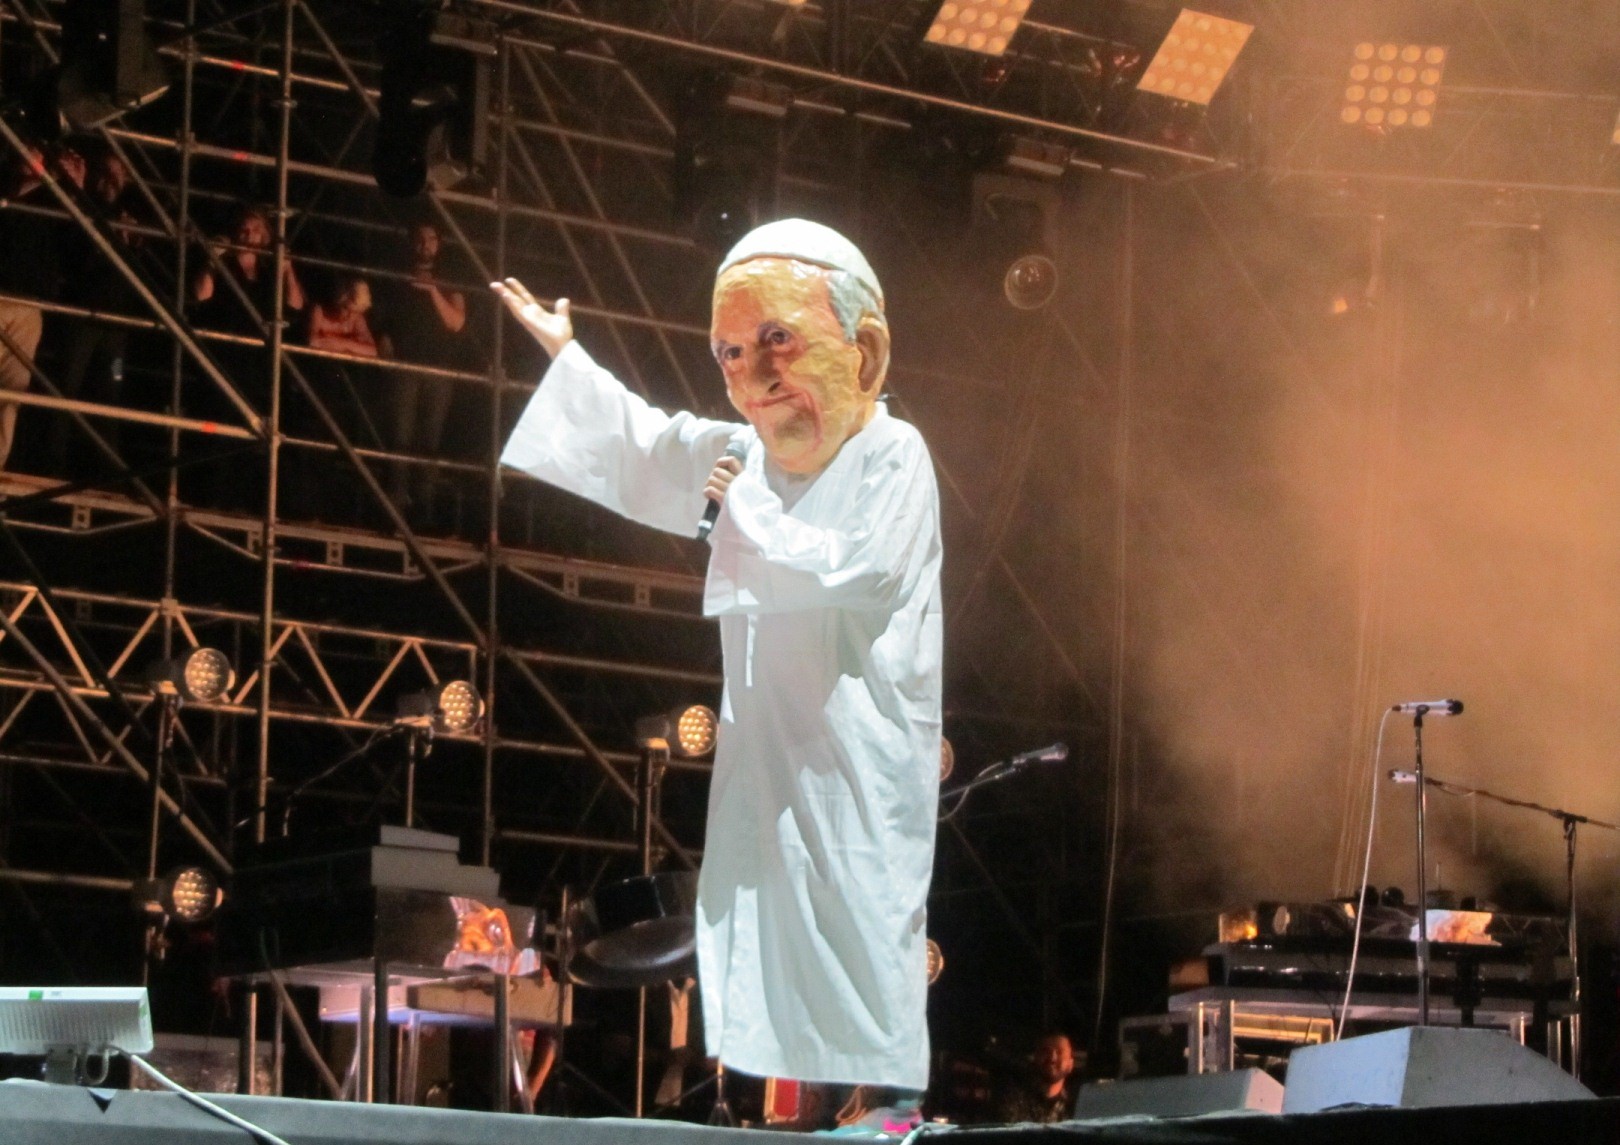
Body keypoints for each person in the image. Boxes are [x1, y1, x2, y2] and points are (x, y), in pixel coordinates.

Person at [494, 219, 943, 1136]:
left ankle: (887, 1109)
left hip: (858, 758)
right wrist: (568, 357)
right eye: (731, 352)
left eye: (779, 339)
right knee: (774, 933)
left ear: (863, 352)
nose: (753, 373)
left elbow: (851, 569)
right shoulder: (751, 457)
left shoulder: (892, 454)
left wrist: (736, 510)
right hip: (770, 761)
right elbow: (648, 447)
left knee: (860, 924)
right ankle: (787, 1109)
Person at [372, 221, 468, 511]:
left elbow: (456, 322)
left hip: (439, 370)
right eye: (420, 238)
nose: (425, 245)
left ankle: (425, 510)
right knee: (399, 437)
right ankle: (395, 507)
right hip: (404, 367)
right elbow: (383, 322)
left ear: (439, 244)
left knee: (429, 442)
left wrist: (432, 289)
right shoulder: (397, 277)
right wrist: (385, 347)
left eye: (431, 239)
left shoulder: (451, 279)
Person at [0, 140, 79, 471]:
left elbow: (76, 244)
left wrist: (75, 190)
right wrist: (49, 180)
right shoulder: (8, 179)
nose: (37, 157)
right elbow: (11, 199)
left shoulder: (51, 195)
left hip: (30, 305)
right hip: (1, 296)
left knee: (12, 392)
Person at [992, 1033, 1081, 1125]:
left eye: (1060, 1052)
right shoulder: (1012, 1098)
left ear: (1070, 1065)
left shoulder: (1077, 1104)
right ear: (1035, 1059)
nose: (1052, 1058)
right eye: (1045, 1051)